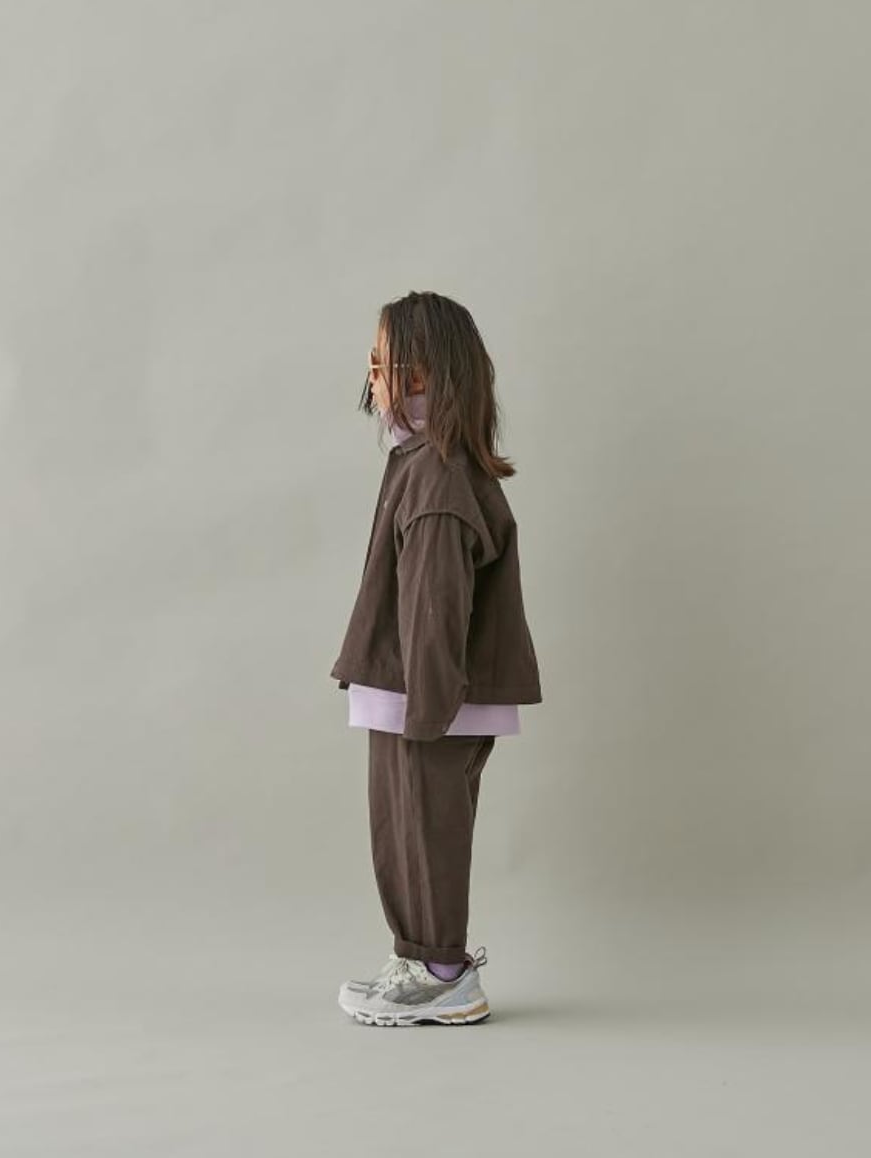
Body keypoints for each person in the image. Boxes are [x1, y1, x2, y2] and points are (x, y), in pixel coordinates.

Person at [329, 290, 543, 1026]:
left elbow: (434, 602)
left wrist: (428, 706)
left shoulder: (437, 476)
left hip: (426, 695)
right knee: (408, 830)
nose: (372, 375)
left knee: (423, 831)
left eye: (381, 361)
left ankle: (442, 973)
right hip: (419, 690)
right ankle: (424, 961)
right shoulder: (424, 463)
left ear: (419, 375)